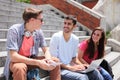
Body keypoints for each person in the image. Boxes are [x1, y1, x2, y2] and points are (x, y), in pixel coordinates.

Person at [3, 7, 61, 80]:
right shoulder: (14, 30)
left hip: (31, 59)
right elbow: (13, 56)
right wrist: (38, 62)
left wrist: (48, 59)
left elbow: (46, 50)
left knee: (55, 61)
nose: (43, 22)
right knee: (20, 68)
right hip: (18, 61)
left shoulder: (38, 31)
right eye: (41, 20)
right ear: (32, 20)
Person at [49, 15, 104, 80]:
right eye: (65, 23)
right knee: (83, 78)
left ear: (74, 26)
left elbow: (74, 59)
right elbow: (54, 60)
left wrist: (83, 65)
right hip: (58, 69)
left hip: (70, 66)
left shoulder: (75, 39)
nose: (66, 26)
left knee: (95, 72)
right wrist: (69, 67)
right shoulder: (56, 37)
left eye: (69, 24)